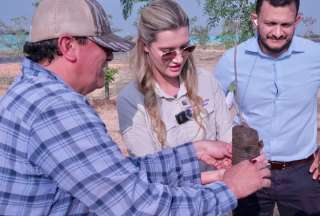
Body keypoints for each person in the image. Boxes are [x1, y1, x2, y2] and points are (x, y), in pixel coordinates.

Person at [0, 0, 271, 215]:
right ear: (68, 46)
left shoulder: (29, 92)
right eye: (103, 47)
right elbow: (136, 204)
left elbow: (112, 173)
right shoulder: (57, 108)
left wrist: (193, 153)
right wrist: (228, 189)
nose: (109, 56)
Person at [214, 0, 320, 215]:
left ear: (297, 21)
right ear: (255, 19)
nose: (278, 32)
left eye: (286, 25)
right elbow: (208, 110)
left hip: (304, 174)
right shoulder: (233, 58)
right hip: (248, 169)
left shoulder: (315, 56)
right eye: (270, 23)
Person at [117, 0, 233, 178]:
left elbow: (227, 135)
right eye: (168, 51)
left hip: (218, 200)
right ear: (145, 46)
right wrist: (214, 176)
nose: (179, 59)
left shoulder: (205, 81)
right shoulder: (131, 99)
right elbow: (151, 170)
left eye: (185, 48)